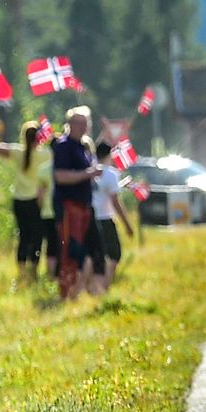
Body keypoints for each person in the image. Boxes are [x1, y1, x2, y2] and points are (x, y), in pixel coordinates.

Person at [0, 116, 51, 287]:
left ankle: (20, 275)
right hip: (37, 201)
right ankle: (32, 274)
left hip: (19, 200)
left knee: (23, 237)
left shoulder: (17, 151)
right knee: (36, 238)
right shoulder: (46, 154)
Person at [48, 106, 101, 301]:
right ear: (69, 124)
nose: (82, 126)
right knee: (70, 250)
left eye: (85, 123)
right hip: (69, 206)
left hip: (84, 206)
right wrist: (88, 174)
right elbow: (60, 176)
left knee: (85, 250)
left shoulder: (83, 147)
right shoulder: (64, 146)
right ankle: (66, 293)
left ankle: (78, 292)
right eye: (77, 122)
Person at [91, 140, 137, 290]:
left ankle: (95, 285)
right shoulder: (110, 173)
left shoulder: (89, 171)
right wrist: (127, 224)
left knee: (95, 254)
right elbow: (116, 202)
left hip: (90, 219)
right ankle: (105, 284)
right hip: (105, 218)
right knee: (114, 254)